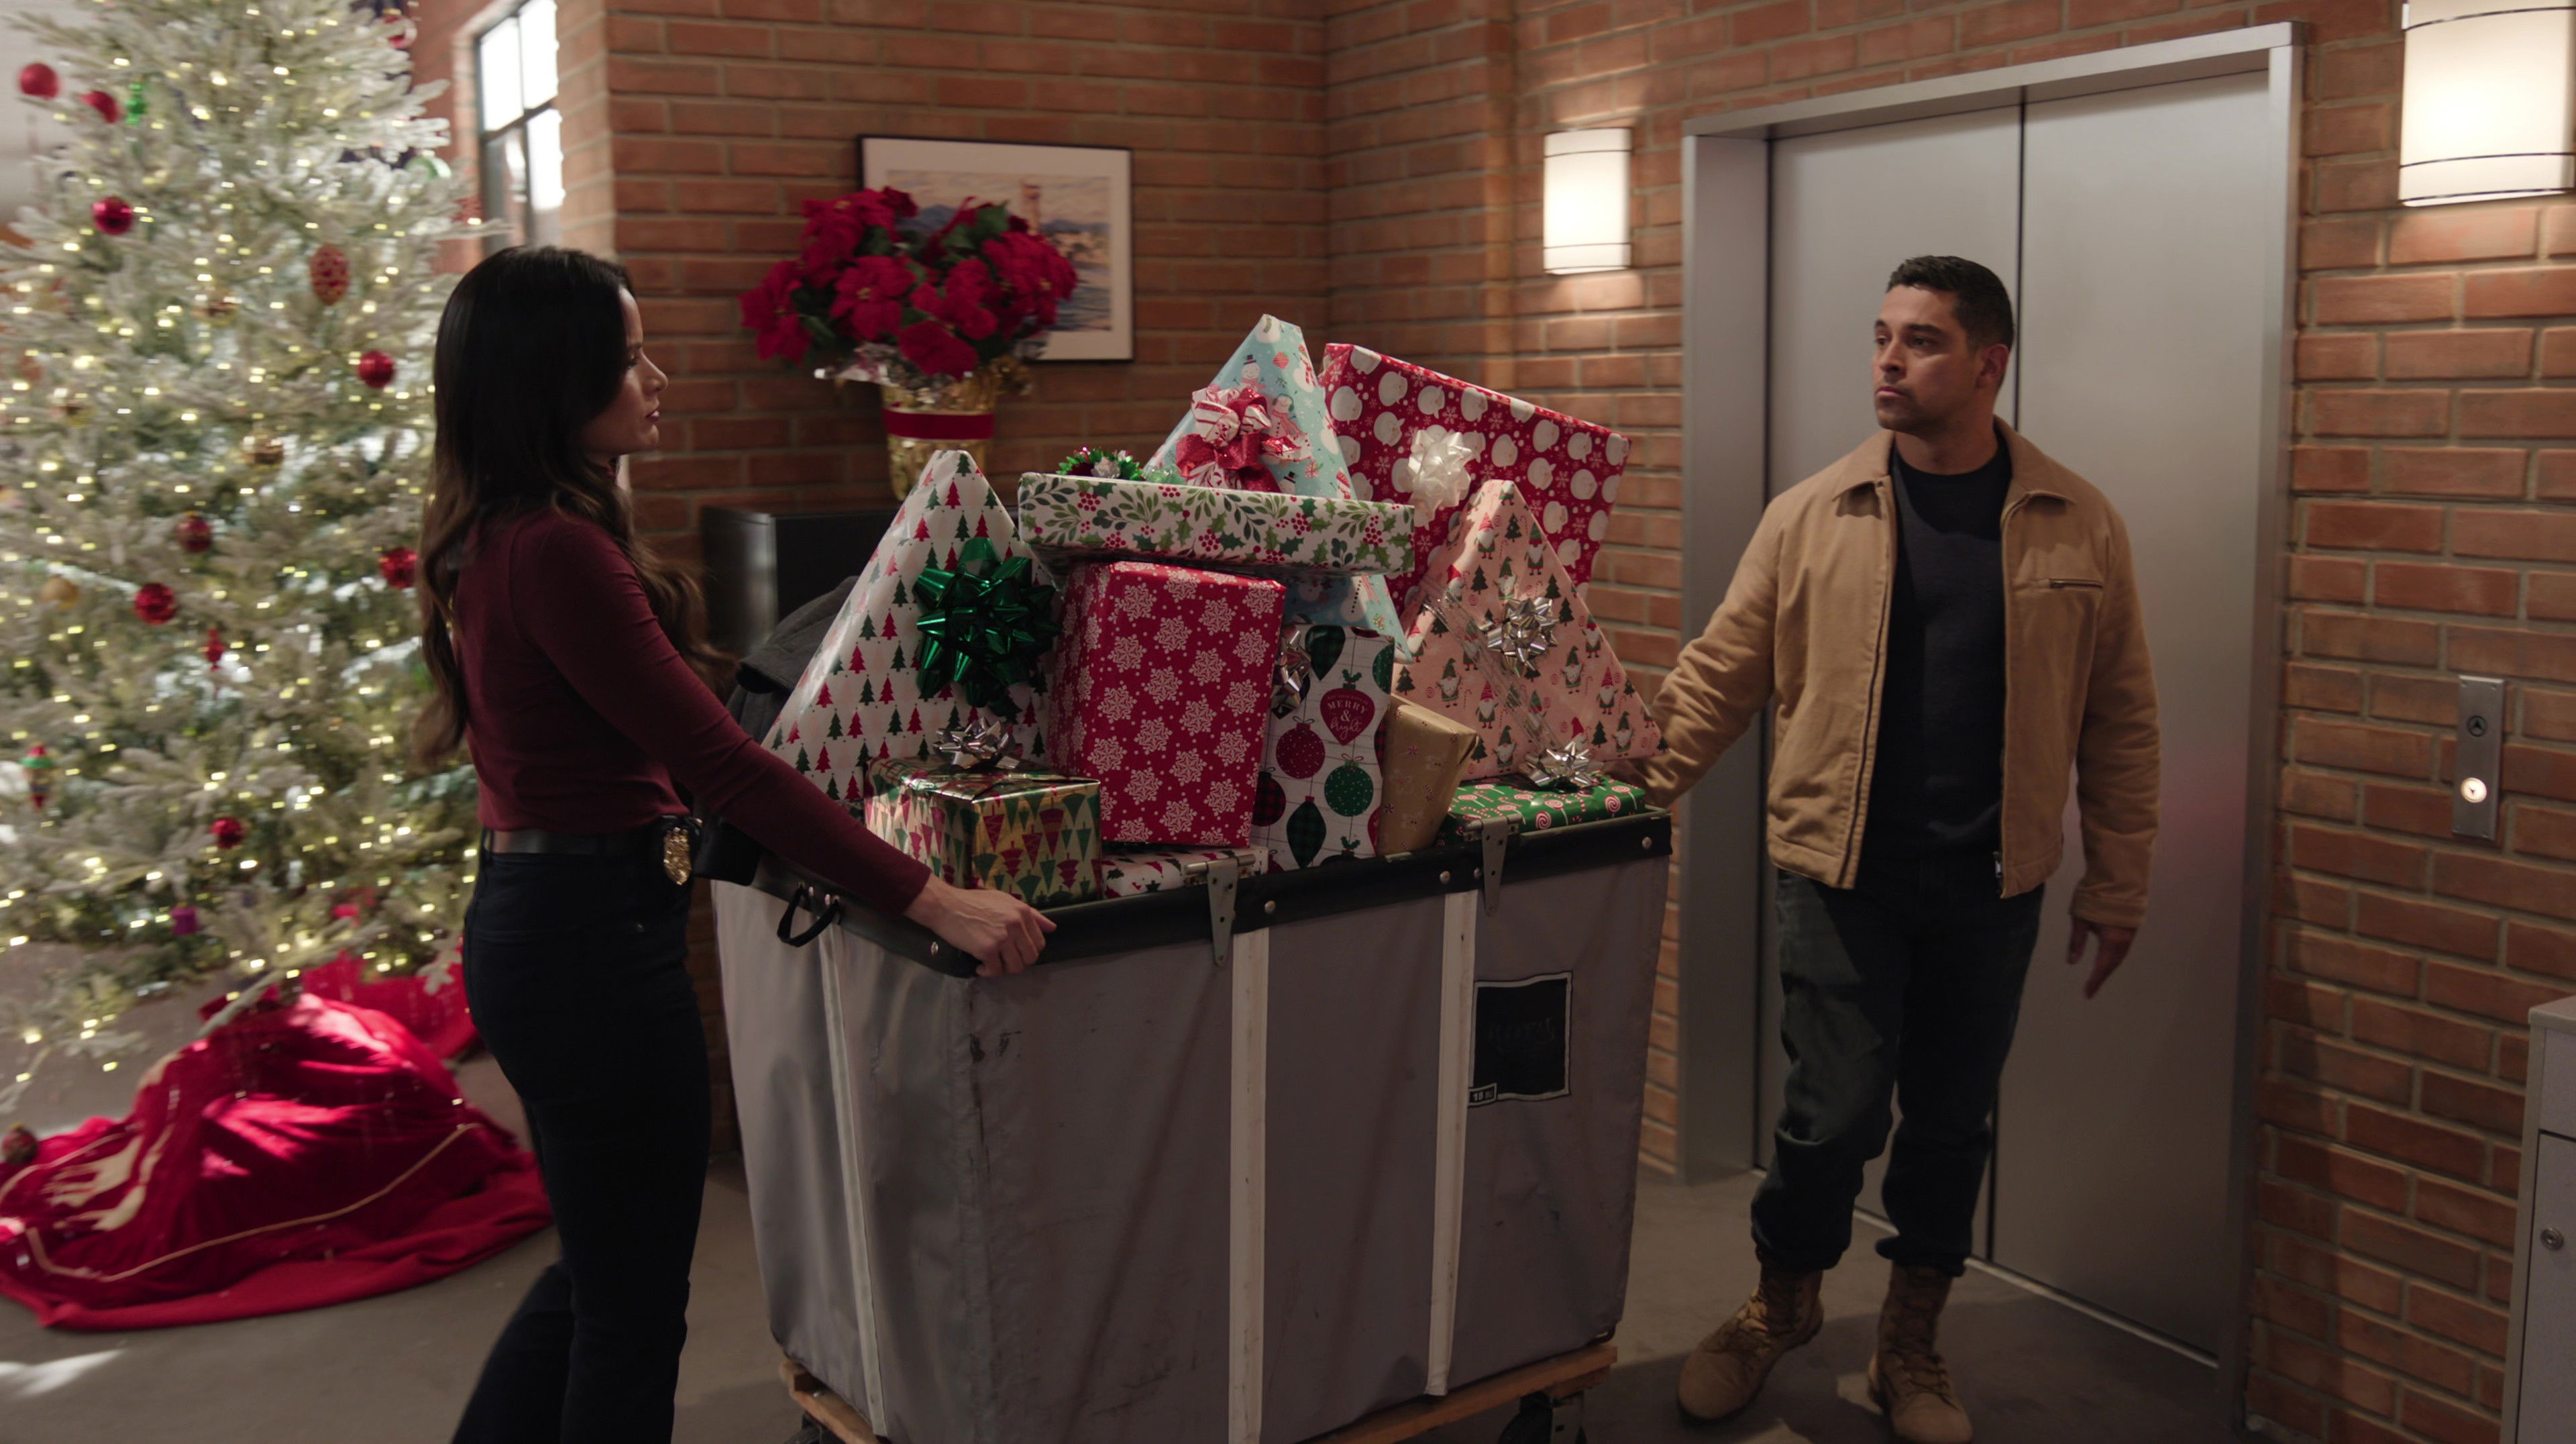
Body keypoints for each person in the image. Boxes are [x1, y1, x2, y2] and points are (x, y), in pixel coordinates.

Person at [413, 246, 1053, 1444]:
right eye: (628, 357)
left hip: (548, 932)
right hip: (592, 952)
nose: (657, 378)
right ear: (553, 381)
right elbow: (723, 769)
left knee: (598, 1278)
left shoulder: (503, 535)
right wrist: (935, 898)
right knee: (632, 1312)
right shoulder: (557, 550)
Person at [1638, 256, 2159, 1444]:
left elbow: (2121, 716)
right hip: (1840, 873)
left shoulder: (2078, 521)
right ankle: (1780, 1305)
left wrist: (2118, 880)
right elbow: (1719, 676)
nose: (1887, 359)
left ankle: (1910, 1341)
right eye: (1881, 335)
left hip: (1994, 880)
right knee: (1831, 1114)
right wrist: (1623, 799)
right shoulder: (1812, 515)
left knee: (1951, 1123)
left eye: (1920, 340)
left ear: (1989, 364)